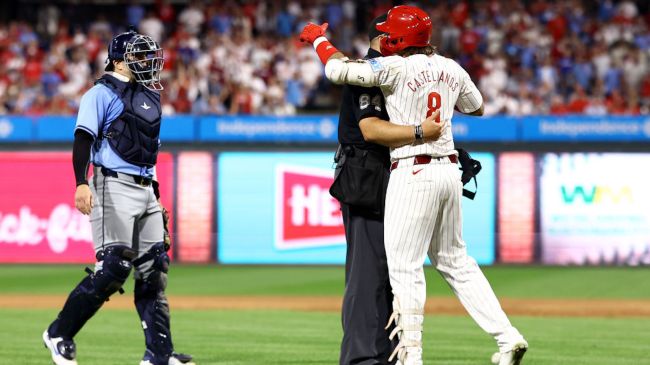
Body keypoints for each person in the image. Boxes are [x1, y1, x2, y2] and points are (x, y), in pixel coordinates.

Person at [300, 5, 527, 365]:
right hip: (449, 169)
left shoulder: (391, 66)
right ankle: (507, 337)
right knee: (457, 262)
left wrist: (320, 39)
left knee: (404, 267)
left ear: (396, 38)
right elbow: (478, 106)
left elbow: (337, 69)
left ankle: (412, 357)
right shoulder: (450, 66)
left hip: (412, 169)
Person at [42, 29, 194, 365]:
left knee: (155, 270)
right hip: (112, 184)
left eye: (148, 56)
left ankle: (159, 355)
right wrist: (81, 183)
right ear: (118, 61)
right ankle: (58, 333)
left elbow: (145, 154)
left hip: (144, 188)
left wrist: (154, 196)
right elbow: (83, 139)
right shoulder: (99, 93)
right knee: (113, 267)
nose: (147, 62)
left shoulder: (149, 94)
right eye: (139, 56)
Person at [332, 14, 443, 365]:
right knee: (368, 273)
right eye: (400, 37)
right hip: (366, 178)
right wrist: (421, 133)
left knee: (397, 272)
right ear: (384, 38)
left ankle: (389, 356)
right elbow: (372, 130)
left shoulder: (396, 70)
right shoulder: (368, 71)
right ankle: (362, 358)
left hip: (397, 176)